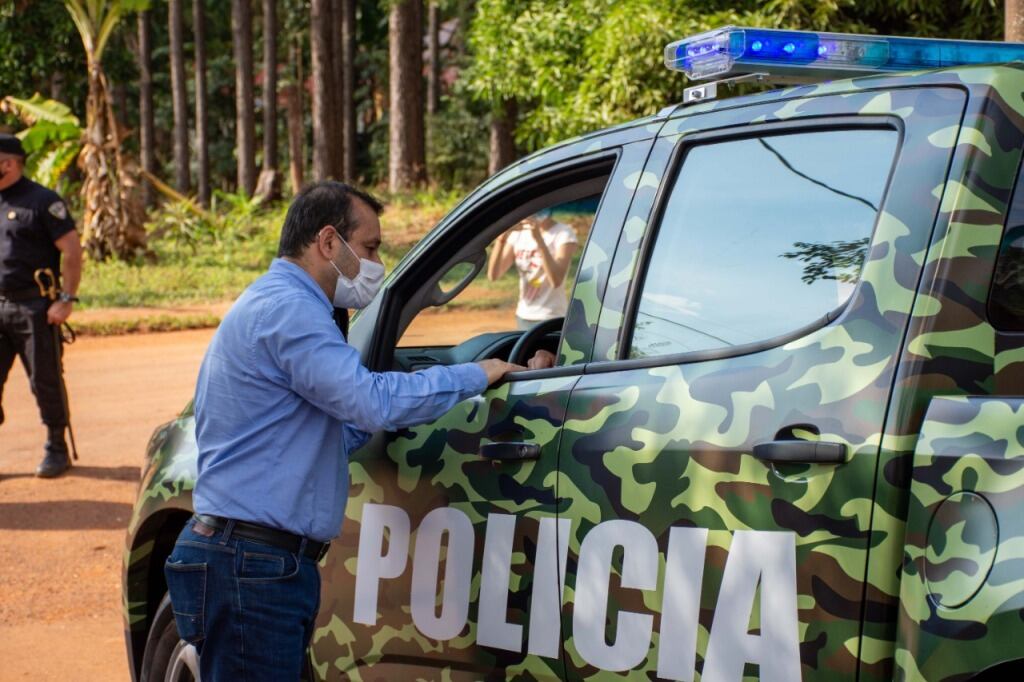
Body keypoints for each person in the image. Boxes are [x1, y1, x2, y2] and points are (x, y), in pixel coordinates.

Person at [164, 181, 522, 681]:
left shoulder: (277, 304)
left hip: (256, 561)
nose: (377, 262)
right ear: (329, 243)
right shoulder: (291, 311)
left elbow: (330, 433)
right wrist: (475, 376)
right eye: (371, 247)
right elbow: (370, 402)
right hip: (253, 564)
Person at [0, 133, 81, 478]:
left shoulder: (42, 201)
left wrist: (65, 299)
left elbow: (73, 251)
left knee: (45, 381)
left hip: (35, 307)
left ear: (9, 163)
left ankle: (56, 448)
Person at [487, 208, 579, 369]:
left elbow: (555, 280)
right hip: (524, 315)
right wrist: (501, 238)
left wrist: (539, 239)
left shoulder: (564, 234)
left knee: (546, 366)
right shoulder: (518, 235)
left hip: (551, 316)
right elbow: (494, 274)